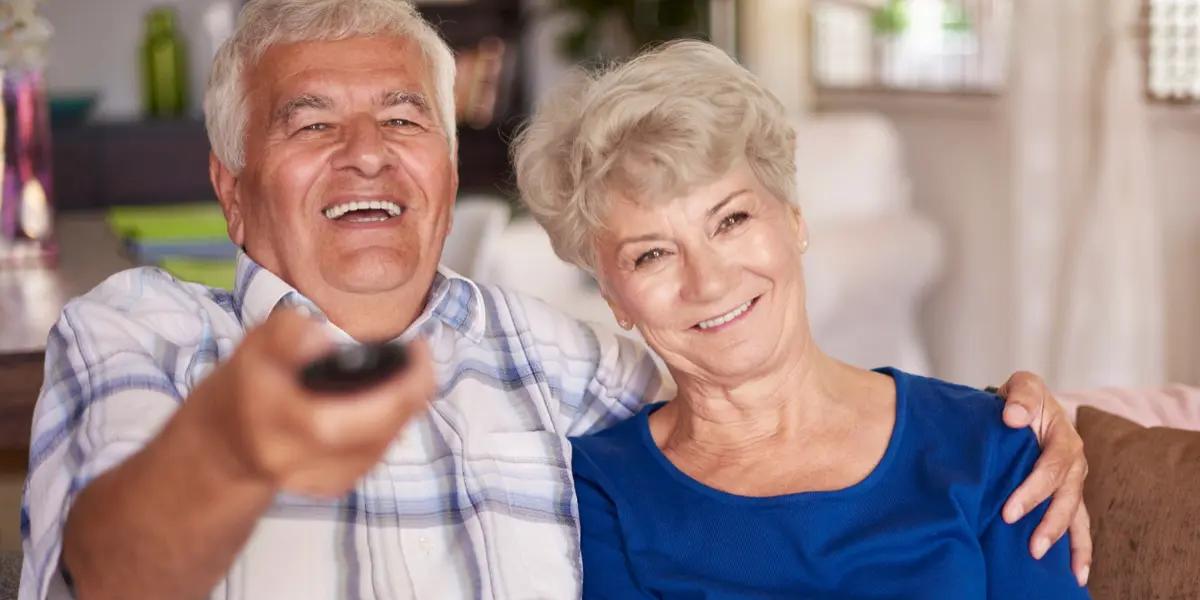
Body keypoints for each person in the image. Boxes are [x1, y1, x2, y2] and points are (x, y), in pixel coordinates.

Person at [20, 2, 1089, 599]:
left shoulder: (548, 356)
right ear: (230, 187)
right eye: (309, 124)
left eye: (403, 120)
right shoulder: (143, 331)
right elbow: (108, 572)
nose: (366, 157)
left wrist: (1027, 418)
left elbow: (747, 401)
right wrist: (233, 448)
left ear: (446, 163)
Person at [513, 40, 1091, 598]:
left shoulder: (991, 442)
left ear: (794, 221)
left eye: (731, 221)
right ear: (615, 298)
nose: (709, 281)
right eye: (652, 254)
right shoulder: (598, 491)